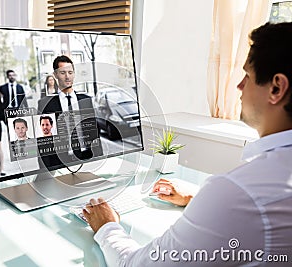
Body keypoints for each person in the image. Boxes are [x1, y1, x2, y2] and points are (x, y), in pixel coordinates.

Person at [82, 22, 292, 266]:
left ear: (276, 87)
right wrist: (198, 202)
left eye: (247, 76)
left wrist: (107, 227)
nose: (239, 86)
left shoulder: (239, 191)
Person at [37, 55, 103, 168]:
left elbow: (94, 133)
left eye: (70, 72)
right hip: (59, 161)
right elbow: (44, 141)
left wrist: (99, 158)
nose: (67, 77)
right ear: (55, 74)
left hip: (87, 157)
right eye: (63, 73)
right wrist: (45, 169)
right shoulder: (45, 104)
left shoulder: (86, 101)